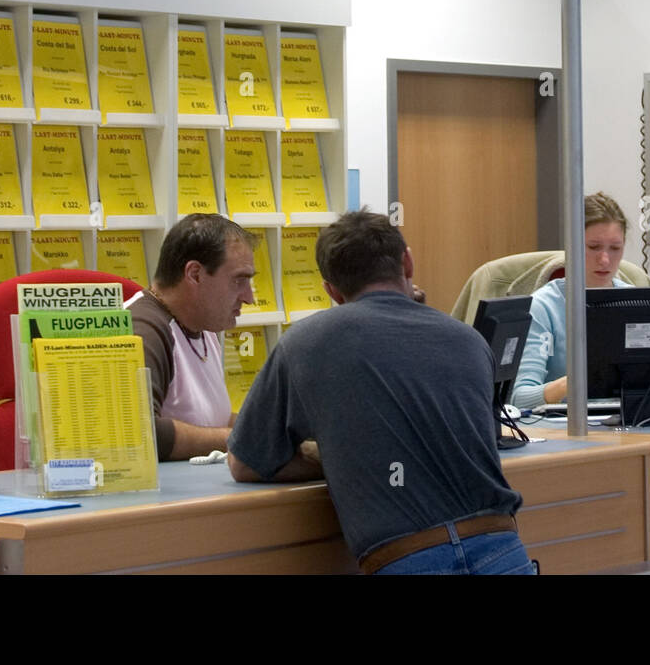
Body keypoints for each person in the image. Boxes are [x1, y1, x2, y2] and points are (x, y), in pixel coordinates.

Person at [226, 210, 534, 576]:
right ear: (407, 261)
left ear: (332, 290)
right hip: (501, 549)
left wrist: (339, 458)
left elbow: (245, 462)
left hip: (406, 558)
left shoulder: (305, 344)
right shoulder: (470, 340)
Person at [126, 213, 255, 460]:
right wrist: (246, 441)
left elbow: (212, 419)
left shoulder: (204, 326)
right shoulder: (143, 329)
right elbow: (142, 431)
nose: (249, 297)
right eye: (239, 280)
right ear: (194, 274)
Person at [511, 192, 631, 411]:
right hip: (564, 429)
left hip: (629, 424)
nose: (605, 260)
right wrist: (575, 382)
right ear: (571, 246)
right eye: (593, 247)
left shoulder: (635, 301)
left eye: (615, 248)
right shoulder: (543, 307)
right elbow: (520, 398)